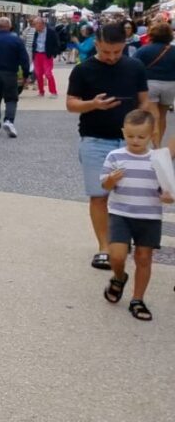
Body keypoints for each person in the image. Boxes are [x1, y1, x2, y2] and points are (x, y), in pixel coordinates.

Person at [66, 22, 154, 271]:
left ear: (124, 46)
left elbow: (144, 102)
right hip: (95, 139)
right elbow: (71, 104)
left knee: (132, 194)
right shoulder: (83, 70)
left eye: (117, 52)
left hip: (131, 143)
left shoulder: (135, 66)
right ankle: (104, 247)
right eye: (106, 52)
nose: (112, 57)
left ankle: (124, 240)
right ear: (97, 45)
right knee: (99, 194)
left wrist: (147, 131)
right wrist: (93, 104)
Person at [99, 109, 169, 322]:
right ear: (123, 132)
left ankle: (137, 299)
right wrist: (111, 179)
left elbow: (166, 189)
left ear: (152, 135)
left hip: (149, 216)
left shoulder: (158, 160)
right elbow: (104, 184)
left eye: (141, 137)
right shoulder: (115, 156)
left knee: (144, 258)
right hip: (121, 213)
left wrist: (167, 197)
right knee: (117, 255)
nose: (135, 141)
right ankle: (119, 277)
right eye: (130, 136)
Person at [135, 22, 175, 147]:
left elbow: (134, 66)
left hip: (150, 84)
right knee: (162, 116)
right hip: (170, 85)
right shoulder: (173, 50)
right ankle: (158, 144)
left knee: (154, 116)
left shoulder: (144, 50)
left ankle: (156, 145)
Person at [28, 16, 62, 98]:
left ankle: (53, 92)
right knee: (38, 74)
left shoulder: (51, 31)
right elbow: (34, 43)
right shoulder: (36, 32)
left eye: (35, 25)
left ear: (41, 24)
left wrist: (54, 53)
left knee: (48, 73)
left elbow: (57, 43)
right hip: (37, 54)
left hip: (46, 55)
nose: (34, 27)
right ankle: (41, 92)